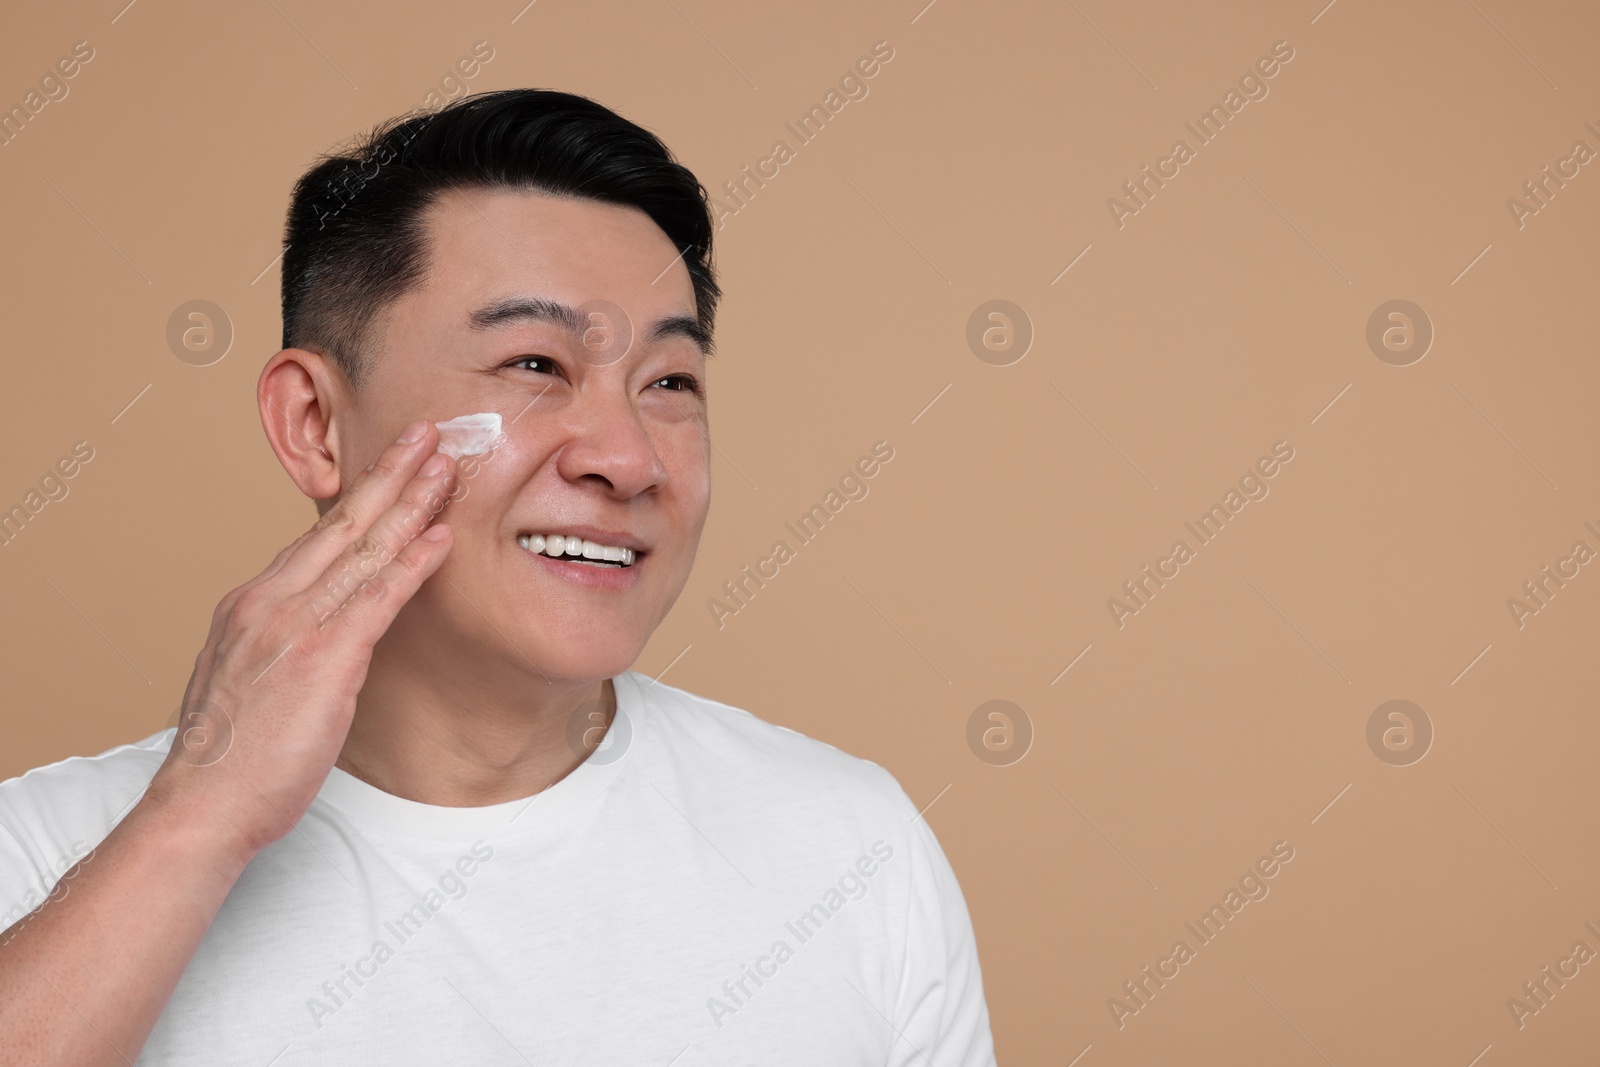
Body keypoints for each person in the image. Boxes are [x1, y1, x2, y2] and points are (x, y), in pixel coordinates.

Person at [0, 88, 996, 1065]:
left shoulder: (849, 848)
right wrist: (199, 817)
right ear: (314, 425)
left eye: (670, 382)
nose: (628, 457)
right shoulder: (44, 855)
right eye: (531, 364)